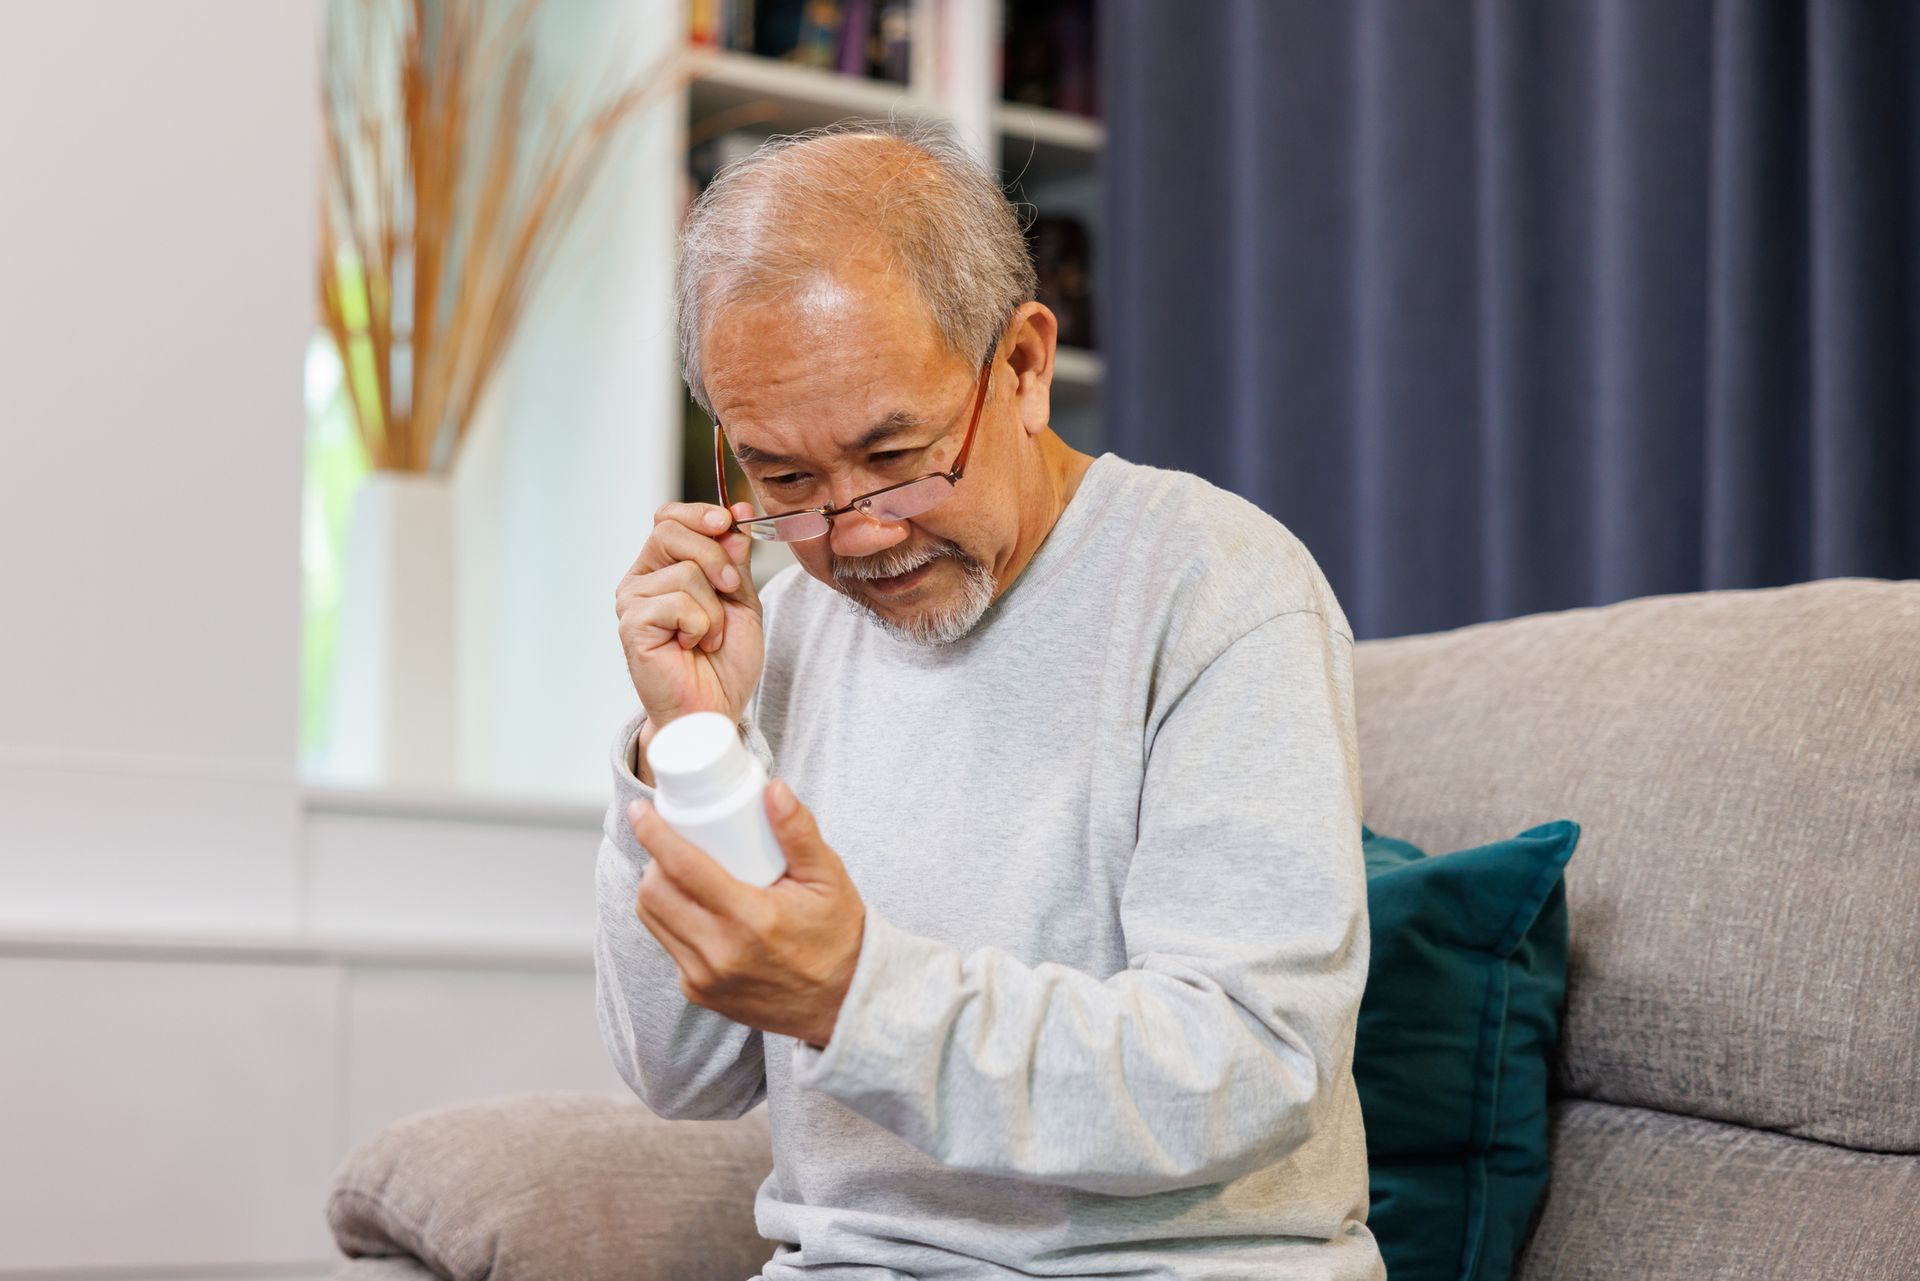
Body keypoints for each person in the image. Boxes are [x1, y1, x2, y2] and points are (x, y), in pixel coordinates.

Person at [599, 121, 1383, 1281]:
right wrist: (695, 740)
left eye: (897, 455)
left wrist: (859, 996)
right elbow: (682, 1075)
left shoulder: (1220, 589)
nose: (854, 533)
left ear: (1021, 366)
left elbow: (1248, 1067)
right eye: (784, 478)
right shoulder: (784, 631)